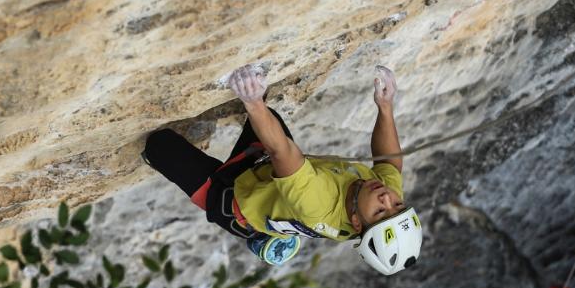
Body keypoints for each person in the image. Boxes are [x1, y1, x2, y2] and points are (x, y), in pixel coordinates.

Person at [142, 64, 422, 273]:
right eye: (398, 204)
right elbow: (390, 162)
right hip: (263, 168)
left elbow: (283, 152)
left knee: (159, 146)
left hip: (233, 202)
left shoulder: (319, 204)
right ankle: (274, 231)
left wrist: (253, 101)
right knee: (268, 118)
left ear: (357, 223)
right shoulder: (384, 194)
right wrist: (385, 107)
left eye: (380, 211)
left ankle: (262, 235)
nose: (387, 198)